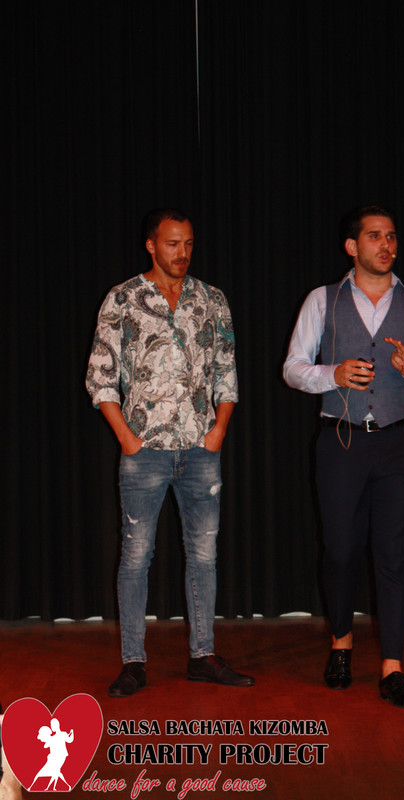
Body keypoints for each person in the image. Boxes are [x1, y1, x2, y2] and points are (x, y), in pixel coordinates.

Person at [283, 205, 404, 708]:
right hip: (342, 441)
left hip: (400, 442)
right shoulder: (322, 300)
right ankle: (341, 644)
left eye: (391, 236)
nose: (387, 245)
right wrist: (330, 374)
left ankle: (393, 667)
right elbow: (293, 367)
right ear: (352, 246)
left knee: (394, 555)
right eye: (375, 236)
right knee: (340, 550)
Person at [86, 208, 254, 696]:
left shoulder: (211, 299)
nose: (182, 253)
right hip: (145, 452)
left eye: (189, 244)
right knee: (136, 555)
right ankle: (133, 662)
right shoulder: (123, 299)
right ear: (151, 245)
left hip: (201, 449)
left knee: (203, 554)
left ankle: (202, 654)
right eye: (172, 243)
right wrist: (127, 438)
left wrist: (219, 429)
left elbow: (226, 369)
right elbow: (100, 376)